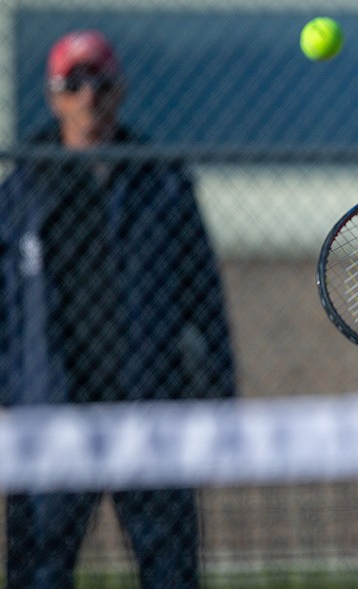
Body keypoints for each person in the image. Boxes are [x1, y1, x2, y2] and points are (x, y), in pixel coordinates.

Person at [0, 30, 237, 588]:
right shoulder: (20, 192)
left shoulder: (163, 183)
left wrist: (217, 393)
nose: (89, 97)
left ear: (121, 90)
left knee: (170, 570)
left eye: (100, 82)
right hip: (50, 412)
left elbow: (204, 297)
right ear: (54, 96)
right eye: (73, 84)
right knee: (38, 569)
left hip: (146, 408)